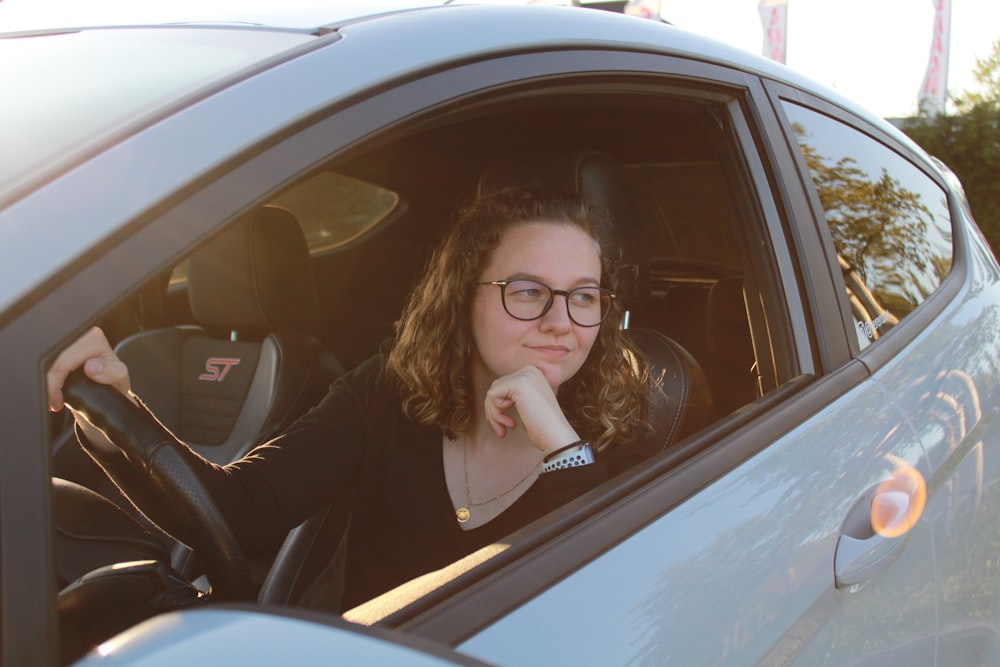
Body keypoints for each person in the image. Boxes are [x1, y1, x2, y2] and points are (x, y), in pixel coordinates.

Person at [46, 186, 650, 610]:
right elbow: (238, 510)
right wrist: (109, 409)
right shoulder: (389, 394)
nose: (560, 321)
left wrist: (559, 444)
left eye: (585, 297)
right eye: (527, 291)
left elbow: (617, 605)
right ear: (463, 297)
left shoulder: (627, 438)